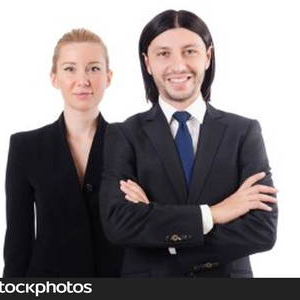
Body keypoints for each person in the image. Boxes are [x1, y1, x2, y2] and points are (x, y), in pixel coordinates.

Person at [99, 10, 277, 277]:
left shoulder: (243, 132)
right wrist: (214, 214)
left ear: (208, 56)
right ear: (147, 63)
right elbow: (119, 224)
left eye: (189, 51)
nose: (178, 65)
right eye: (163, 54)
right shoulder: (124, 135)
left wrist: (164, 235)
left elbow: (262, 229)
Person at [4, 28, 123, 277]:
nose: (83, 80)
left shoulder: (129, 143)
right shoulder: (26, 147)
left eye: (93, 68)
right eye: (70, 69)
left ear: (109, 77)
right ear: (54, 77)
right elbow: (18, 238)